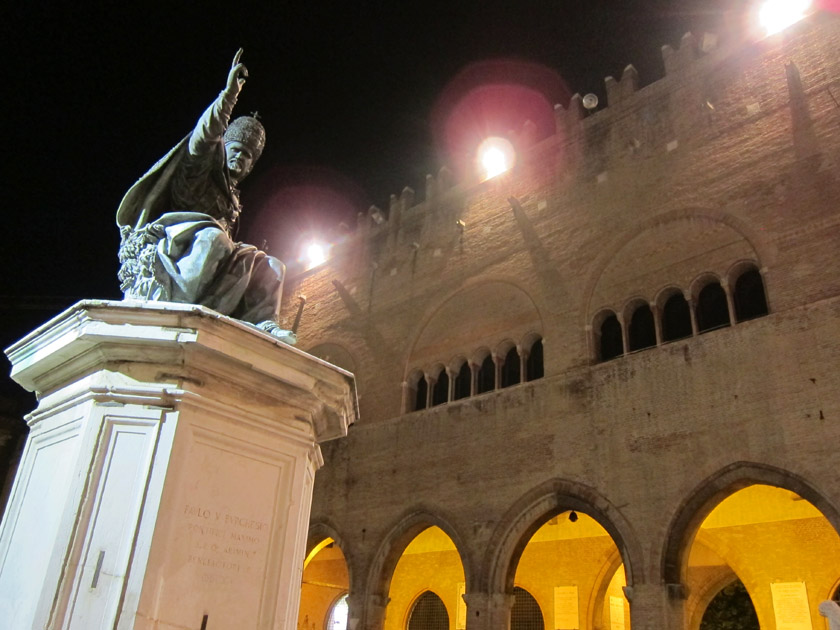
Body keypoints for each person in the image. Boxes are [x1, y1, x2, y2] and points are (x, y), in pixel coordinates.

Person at [116, 49, 295, 343]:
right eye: (237, 151)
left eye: (249, 157)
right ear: (225, 148)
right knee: (215, 238)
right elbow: (204, 135)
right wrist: (228, 98)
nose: (242, 159)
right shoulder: (200, 167)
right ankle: (183, 307)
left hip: (213, 250)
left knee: (273, 265)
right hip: (179, 236)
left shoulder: (232, 198)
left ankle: (261, 324)